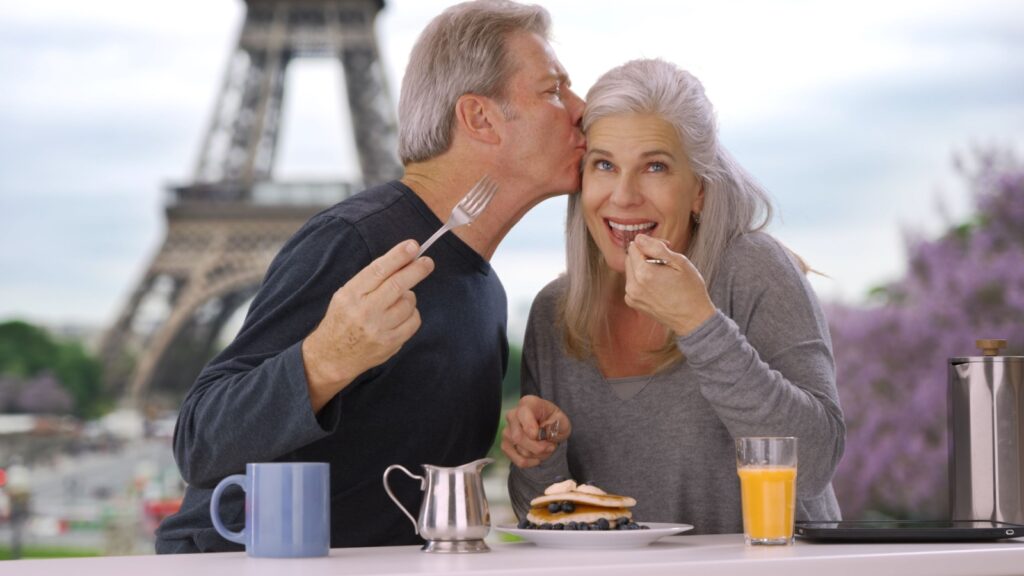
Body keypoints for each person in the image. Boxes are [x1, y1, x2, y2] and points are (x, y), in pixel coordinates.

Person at [156, 0, 585, 552]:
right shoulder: (354, 243)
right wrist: (325, 360)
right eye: (554, 90)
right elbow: (199, 442)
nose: (580, 108)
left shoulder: (484, 291)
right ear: (480, 118)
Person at [502, 58, 844, 534]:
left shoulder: (753, 270)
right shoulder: (553, 313)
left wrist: (699, 325)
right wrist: (541, 455)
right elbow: (544, 519)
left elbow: (815, 463)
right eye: (604, 165)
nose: (624, 195)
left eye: (655, 167)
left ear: (699, 189)